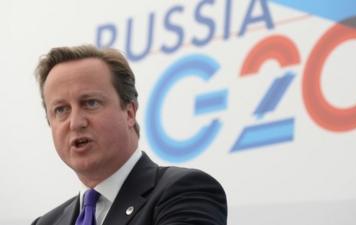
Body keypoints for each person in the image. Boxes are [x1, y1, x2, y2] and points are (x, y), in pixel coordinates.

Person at [31, 45, 227, 225]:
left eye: (90, 103)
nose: (75, 123)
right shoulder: (45, 223)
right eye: (61, 110)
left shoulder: (185, 192)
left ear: (129, 112)